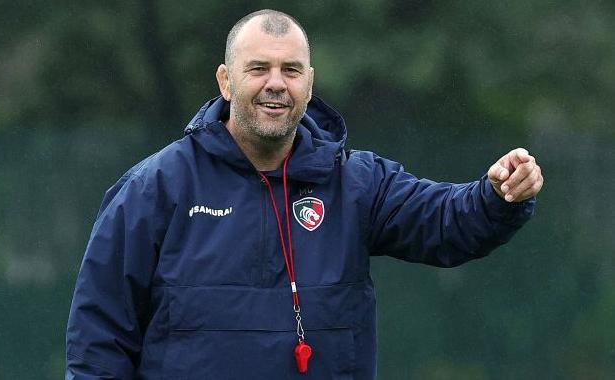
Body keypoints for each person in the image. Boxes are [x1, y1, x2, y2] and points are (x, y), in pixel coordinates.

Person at [66, 9, 544, 380]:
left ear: (309, 83)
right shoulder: (154, 189)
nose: (276, 83)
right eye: (259, 68)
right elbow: (99, 341)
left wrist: (496, 196)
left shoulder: (356, 184)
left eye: (291, 70)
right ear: (225, 81)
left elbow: (445, 223)